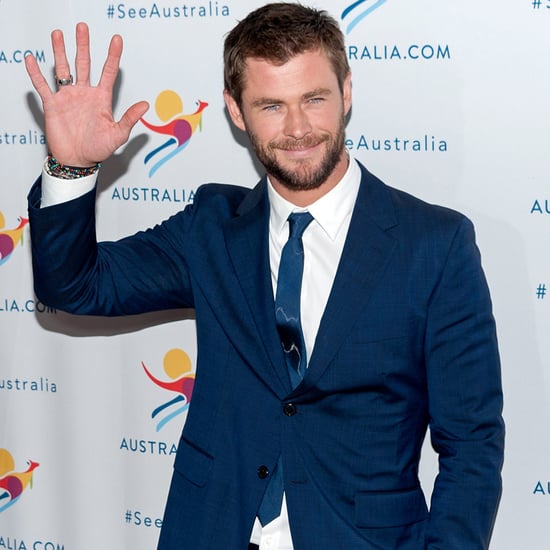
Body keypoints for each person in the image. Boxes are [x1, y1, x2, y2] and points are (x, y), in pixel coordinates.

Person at [24, 3, 504, 549]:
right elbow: (74, 285)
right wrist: (71, 168)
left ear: (347, 91)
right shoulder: (210, 228)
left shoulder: (434, 246)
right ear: (235, 110)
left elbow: (472, 445)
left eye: (314, 99)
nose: (298, 129)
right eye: (271, 105)